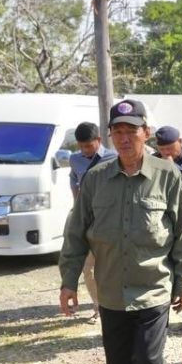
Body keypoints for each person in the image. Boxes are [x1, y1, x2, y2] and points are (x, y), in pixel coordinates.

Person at [58, 98, 182, 364]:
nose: (123, 138)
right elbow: (76, 231)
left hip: (153, 288)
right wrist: (69, 281)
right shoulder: (96, 178)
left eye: (131, 131)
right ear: (110, 136)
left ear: (145, 133)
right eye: (117, 131)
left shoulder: (167, 175)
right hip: (111, 293)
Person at [70, 122, 116, 323]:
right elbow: (74, 182)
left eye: (88, 146)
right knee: (88, 268)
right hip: (87, 221)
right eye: (80, 146)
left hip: (110, 221)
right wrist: (77, 209)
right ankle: (99, 308)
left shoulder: (114, 158)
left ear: (99, 140)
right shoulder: (75, 159)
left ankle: (114, 306)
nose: (84, 151)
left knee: (111, 268)